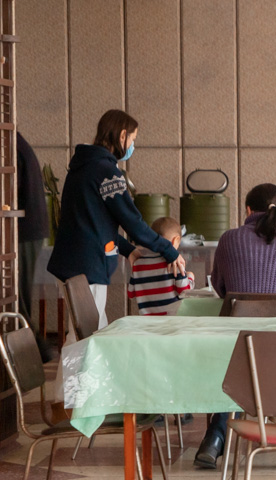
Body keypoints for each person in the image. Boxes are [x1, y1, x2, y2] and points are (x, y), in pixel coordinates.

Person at [196, 183, 276, 469]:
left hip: (239, 347)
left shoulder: (229, 239)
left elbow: (220, 288)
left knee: (234, 357)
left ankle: (215, 437)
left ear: (248, 211)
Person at [47, 110, 184, 327]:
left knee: (91, 329)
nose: (132, 146)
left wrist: (128, 250)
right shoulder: (107, 172)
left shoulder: (80, 167)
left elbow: (93, 222)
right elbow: (132, 222)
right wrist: (169, 250)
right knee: (88, 335)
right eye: (132, 139)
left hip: (71, 262)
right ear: (122, 135)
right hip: (87, 267)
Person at [16, 132, 51, 356]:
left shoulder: (10, 147)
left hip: (23, 230)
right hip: (28, 229)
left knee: (17, 297)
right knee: (18, 296)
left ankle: (33, 352)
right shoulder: (16, 143)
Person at [127, 216, 195, 315]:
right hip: (171, 321)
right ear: (176, 240)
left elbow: (131, 294)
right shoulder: (175, 264)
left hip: (146, 321)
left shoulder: (137, 264)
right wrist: (190, 277)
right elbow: (185, 292)